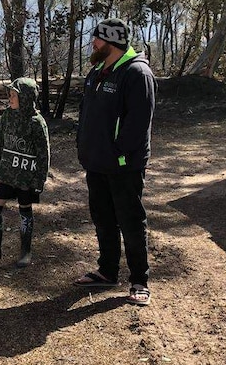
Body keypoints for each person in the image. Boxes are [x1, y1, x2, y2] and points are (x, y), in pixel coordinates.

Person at [74, 18, 156, 306]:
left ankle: (139, 281)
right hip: (96, 163)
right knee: (103, 219)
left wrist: (119, 154)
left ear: (112, 42)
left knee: (130, 221)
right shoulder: (97, 71)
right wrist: (84, 146)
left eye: (97, 39)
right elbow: (87, 113)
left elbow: (137, 124)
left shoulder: (136, 74)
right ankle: (107, 271)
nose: (93, 44)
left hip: (123, 165)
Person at [0, 77, 50, 268]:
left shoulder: (36, 122)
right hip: (8, 174)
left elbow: (44, 153)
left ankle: (25, 252)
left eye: (14, 95)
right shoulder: (7, 115)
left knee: (25, 209)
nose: (10, 98)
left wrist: (40, 180)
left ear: (25, 98)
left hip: (26, 177)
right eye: (10, 94)